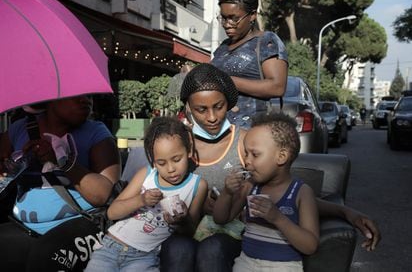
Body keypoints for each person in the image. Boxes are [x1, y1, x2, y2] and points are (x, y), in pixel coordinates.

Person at [159, 63, 381, 272]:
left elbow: (285, 191)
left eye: (218, 106)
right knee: (176, 248)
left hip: (232, 241)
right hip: (188, 229)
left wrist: (345, 212)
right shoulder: (177, 146)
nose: (212, 117)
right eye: (201, 109)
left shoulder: (250, 142)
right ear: (188, 107)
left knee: (212, 249)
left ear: (228, 102)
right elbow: (153, 183)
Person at [0, 95, 121, 271]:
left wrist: (62, 161)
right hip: (23, 226)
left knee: (46, 257)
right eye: (77, 94)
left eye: (89, 95)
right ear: (51, 97)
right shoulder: (20, 129)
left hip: (85, 224)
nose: (86, 100)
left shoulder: (97, 133)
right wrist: (13, 163)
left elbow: (106, 195)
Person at [85, 116, 207, 272]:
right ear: (152, 160)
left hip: (145, 256)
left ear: (189, 150)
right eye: (161, 163)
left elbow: (190, 231)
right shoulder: (147, 174)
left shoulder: (198, 185)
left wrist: (180, 221)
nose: (170, 169)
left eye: (177, 159)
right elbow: (111, 213)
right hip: (111, 247)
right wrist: (141, 200)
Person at [214, 112, 319, 271]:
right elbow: (221, 219)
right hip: (246, 263)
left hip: (284, 266)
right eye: (246, 153)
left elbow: (310, 246)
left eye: (255, 154)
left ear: (281, 156)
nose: (247, 161)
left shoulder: (301, 193)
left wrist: (277, 218)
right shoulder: (251, 186)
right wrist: (227, 193)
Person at [211, 0, 288, 128]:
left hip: (252, 132)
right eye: (223, 18)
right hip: (219, 131)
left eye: (234, 18)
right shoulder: (223, 47)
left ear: (252, 15)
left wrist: (226, 80)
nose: (226, 24)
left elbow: (277, 87)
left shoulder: (266, 41)